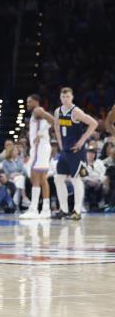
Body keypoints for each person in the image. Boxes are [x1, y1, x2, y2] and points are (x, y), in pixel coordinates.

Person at [52, 87, 98, 220]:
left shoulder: (76, 112)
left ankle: (77, 211)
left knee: (76, 179)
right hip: (65, 150)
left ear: (72, 97)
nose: (65, 99)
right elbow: (56, 127)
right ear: (60, 98)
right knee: (58, 178)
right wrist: (60, 143)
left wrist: (82, 140)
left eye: (67, 97)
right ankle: (64, 209)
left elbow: (94, 123)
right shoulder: (57, 111)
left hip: (76, 151)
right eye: (63, 97)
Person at [20, 94, 55, 219]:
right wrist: (42, 131)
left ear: (36, 101)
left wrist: (40, 133)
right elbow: (51, 122)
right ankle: (46, 209)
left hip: (39, 148)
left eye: (29, 101)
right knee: (42, 179)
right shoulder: (38, 112)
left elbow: (53, 120)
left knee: (34, 176)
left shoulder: (37, 110)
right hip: (43, 147)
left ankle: (34, 209)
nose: (27, 104)